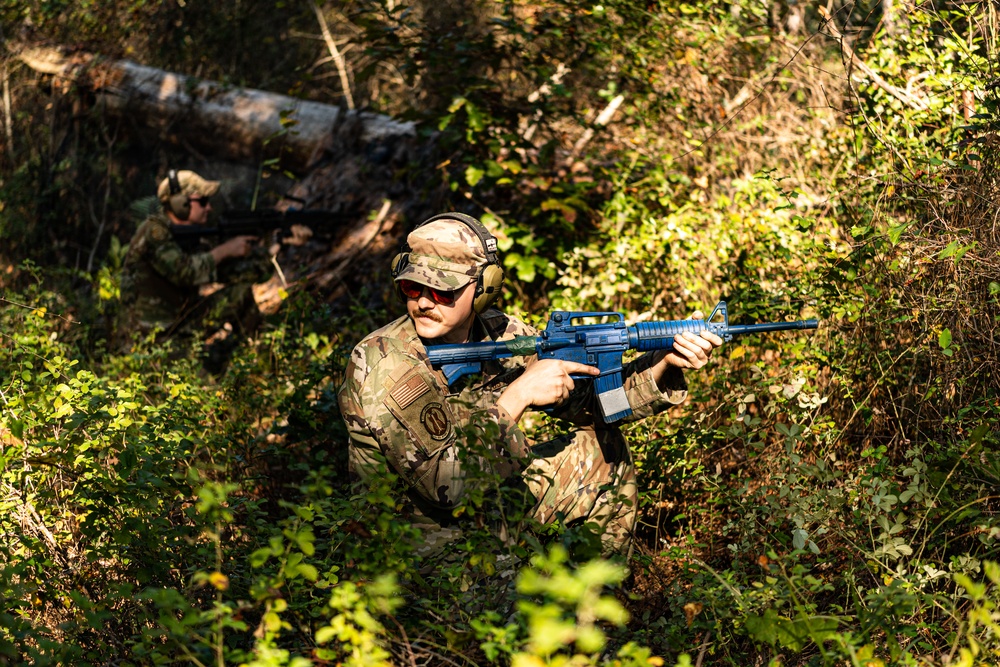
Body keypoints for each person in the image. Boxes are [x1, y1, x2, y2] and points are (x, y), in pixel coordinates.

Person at [337, 212, 723, 558]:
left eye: (442, 291)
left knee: (602, 450)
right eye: (411, 288)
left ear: (484, 288)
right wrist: (518, 396)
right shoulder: (384, 363)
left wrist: (663, 363)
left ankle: (598, 606)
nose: (423, 302)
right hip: (411, 546)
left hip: (483, 506)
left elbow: (595, 405)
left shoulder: (501, 333)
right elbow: (446, 487)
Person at [116, 169, 266, 366]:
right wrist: (225, 250)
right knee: (202, 393)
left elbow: (235, 274)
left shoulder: (191, 236)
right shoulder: (155, 232)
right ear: (181, 203)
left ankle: (250, 364)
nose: (209, 208)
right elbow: (184, 272)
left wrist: (276, 245)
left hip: (181, 325)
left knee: (240, 294)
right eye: (202, 201)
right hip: (151, 338)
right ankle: (216, 366)